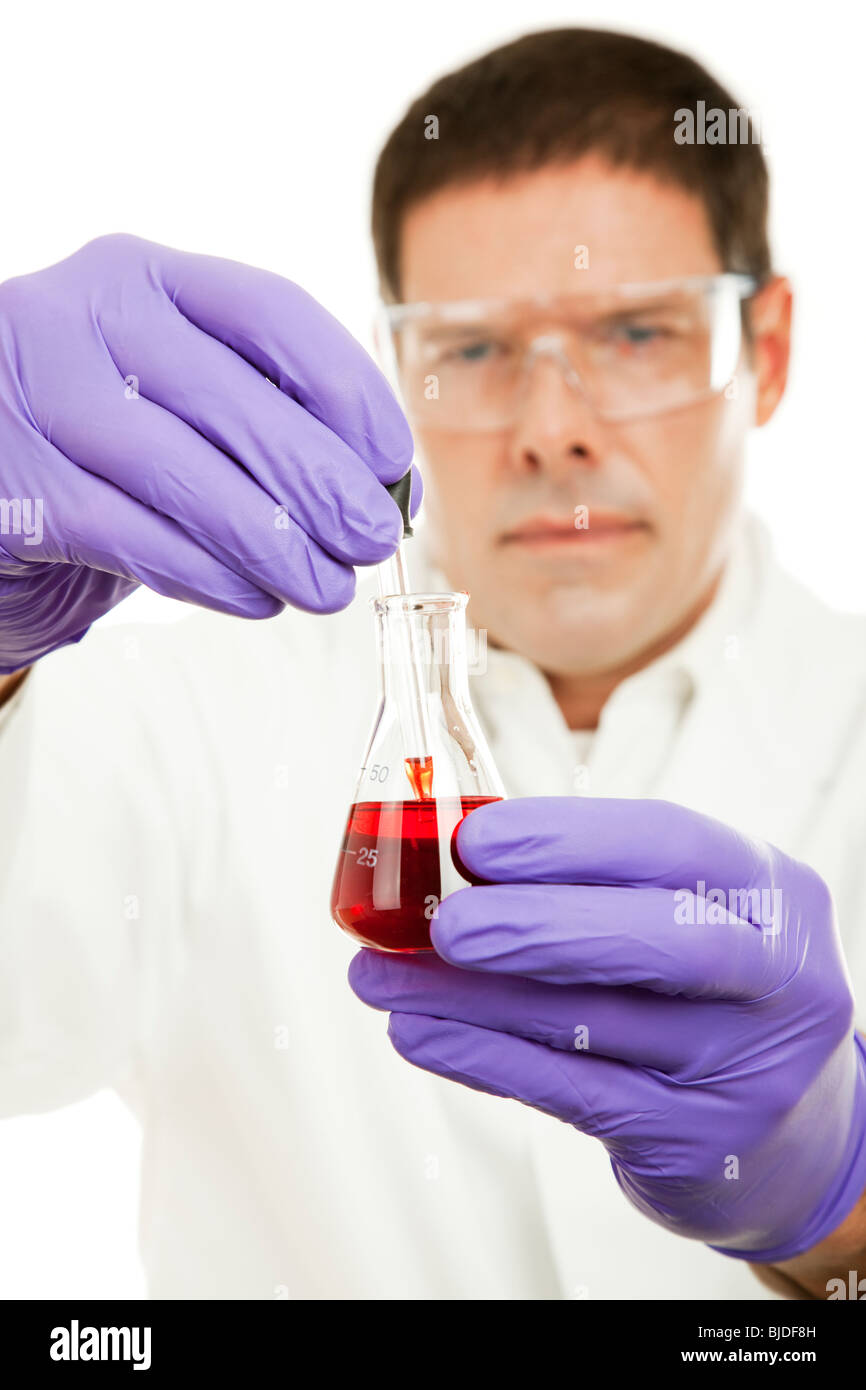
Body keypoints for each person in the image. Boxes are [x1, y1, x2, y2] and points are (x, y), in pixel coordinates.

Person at [0, 27, 864, 1302]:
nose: (550, 430)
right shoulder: (183, 713)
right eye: (470, 348)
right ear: (396, 363)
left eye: (632, 334)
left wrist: (839, 1217)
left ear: (767, 350)